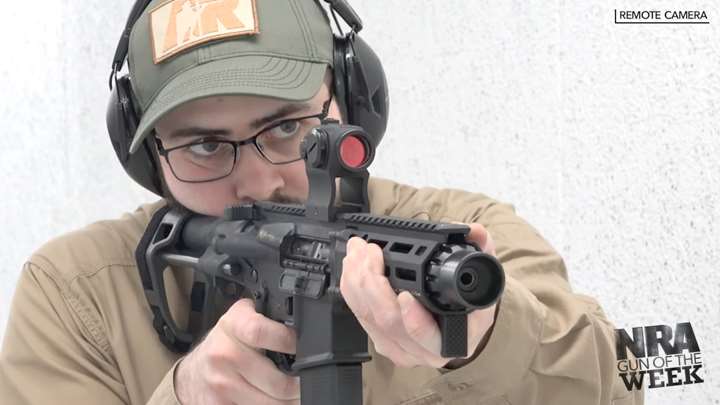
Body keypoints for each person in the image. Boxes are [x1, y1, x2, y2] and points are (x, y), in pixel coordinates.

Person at [0, 1, 643, 404]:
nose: (254, 181)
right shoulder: (76, 294)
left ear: (351, 103)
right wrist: (185, 397)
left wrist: (490, 339)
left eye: (287, 128)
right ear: (147, 158)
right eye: (203, 147)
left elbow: (617, 388)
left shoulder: (472, 236)